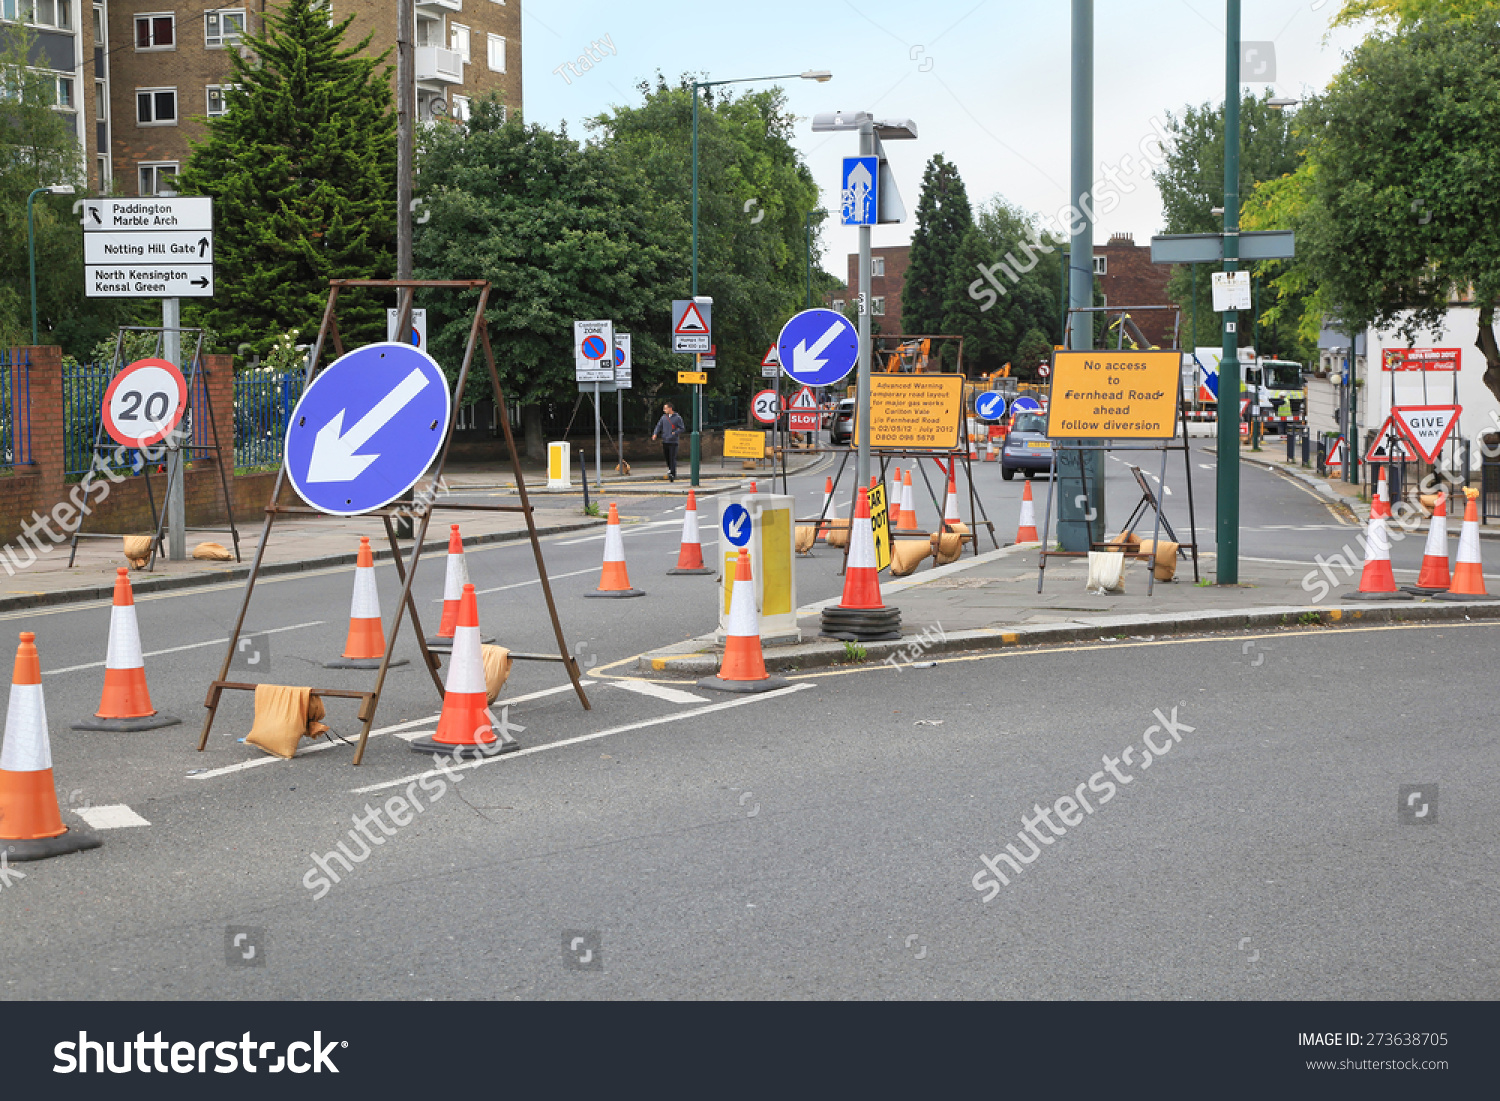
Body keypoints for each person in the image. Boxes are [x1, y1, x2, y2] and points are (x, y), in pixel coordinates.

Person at [651, 402, 686, 482]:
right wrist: (655, 434)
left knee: (672, 457)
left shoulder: (677, 418)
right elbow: (659, 426)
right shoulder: (664, 417)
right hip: (665, 440)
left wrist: (675, 433)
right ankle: (671, 470)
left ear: (670, 408)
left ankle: (672, 473)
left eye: (665, 408)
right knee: (667, 458)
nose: (664, 410)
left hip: (673, 441)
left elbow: (682, 428)